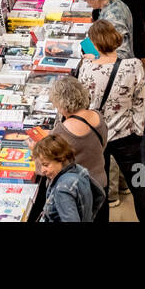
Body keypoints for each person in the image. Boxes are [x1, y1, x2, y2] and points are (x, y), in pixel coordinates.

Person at [78, 18, 145, 222]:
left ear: (94, 43)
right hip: (129, 139)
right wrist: (138, 130)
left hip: (97, 140)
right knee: (140, 187)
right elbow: (140, 101)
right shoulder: (134, 65)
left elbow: (84, 104)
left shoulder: (87, 68)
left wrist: (86, 60)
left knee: (101, 192)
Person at [47, 77, 109, 221]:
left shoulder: (62, 131)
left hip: (77, 189)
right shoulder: (97, 116)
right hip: (100, 184)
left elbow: (52, 167)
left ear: (61, 104)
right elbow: (103, 145)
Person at [34, 134, 102, 223]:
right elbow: (99, 195)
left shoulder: (62, 189)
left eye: (46, 165)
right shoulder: (78, 169)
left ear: (61, 158)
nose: (42, 171)